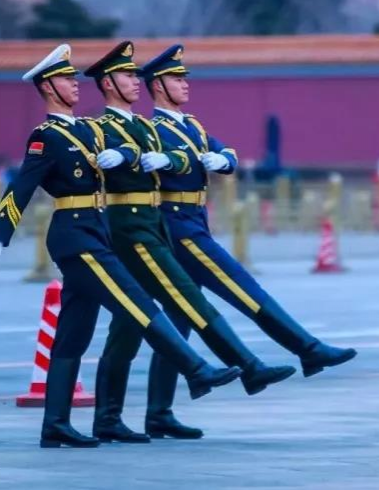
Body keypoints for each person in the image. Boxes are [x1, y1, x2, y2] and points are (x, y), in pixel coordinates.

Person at [0, 44, 242, 449]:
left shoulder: (88, 129)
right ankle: (196, 369)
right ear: (48, 88)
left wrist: (130, 153)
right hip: (75, 236)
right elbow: (21, 189)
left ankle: (56, 424)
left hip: (98, 232)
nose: (75, 85)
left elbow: (131, 141)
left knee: (73, 333)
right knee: (139, 305)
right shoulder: (44, 138)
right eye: (66, 80)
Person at [136, 44, 357, 432]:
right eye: (176, 79)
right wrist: (180, 162)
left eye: (185, 78)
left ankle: (158, 414)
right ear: (157, 86)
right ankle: (307, 349)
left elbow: (228, 154)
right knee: (244, 288)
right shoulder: (152, 130)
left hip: (195, 220)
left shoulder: (192, 126)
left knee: (180, 319)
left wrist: (223, 161)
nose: (185, 84)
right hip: (177, 229)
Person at [85, 41, 295, 442]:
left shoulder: (151, 127)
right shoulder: (100, 128)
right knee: (138, 322)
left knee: (149, 321)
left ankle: (149, 413)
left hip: (155, 229)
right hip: (129, 229)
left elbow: (185, 154)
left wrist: (197, 159)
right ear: (109, 83)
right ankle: (235, 369)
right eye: (130, 76)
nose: (136, 81)